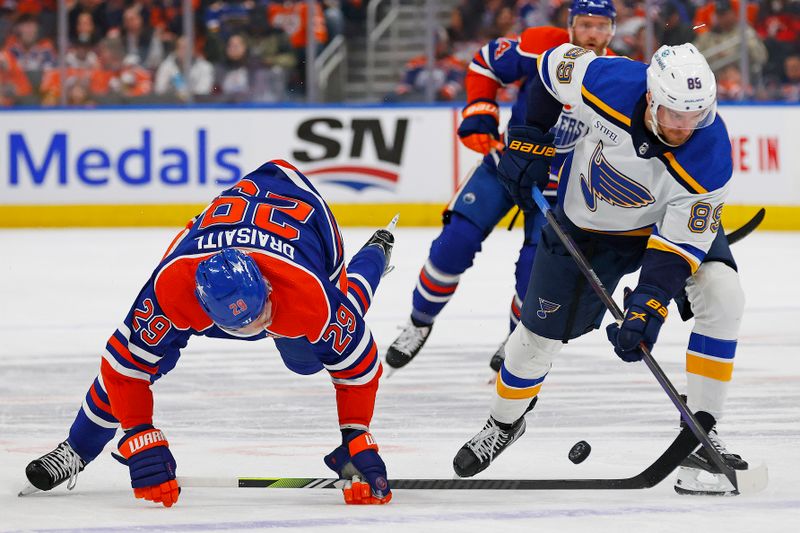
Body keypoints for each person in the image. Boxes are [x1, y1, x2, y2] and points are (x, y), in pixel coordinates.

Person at [453, 42, 752, 496]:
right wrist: (528, 135)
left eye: (696, 116)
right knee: (535, 340)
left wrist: (648, 306)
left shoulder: (710, 156)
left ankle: (700, 433)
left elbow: (676, 251)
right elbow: (547, 70)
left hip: (664, 228)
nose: (684, 128)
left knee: (723, 293)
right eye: (674, 114)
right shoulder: (606, 81)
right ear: (651, 97)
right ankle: (504, 423)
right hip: (587, 228)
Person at [21, 159, 395, 506]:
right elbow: (124, 366)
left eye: (260, 315)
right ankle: (77, 447)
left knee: (320, 347)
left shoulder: (307, 294)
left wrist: (355, 435)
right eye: (241, 326)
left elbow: (358, 368)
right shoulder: (174, 288)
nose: (256, 330)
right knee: (146, 357)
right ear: (203, 306)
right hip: (219, 252)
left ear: (266, 287)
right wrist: (139, 434)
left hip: (308, 229)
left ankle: (375, 254)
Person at [385, 0, 617, 373]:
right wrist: (481, 109)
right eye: (586, 24)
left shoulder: (619, 77)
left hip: (560, 191)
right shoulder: (542, 43)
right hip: (505, 166)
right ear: (571, 24)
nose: (593, 33)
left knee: (534, 276)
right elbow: (486, 62)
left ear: (613, 31)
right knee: (453, 244)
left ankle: (515, 341)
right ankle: (418, 322)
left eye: (601, 26)